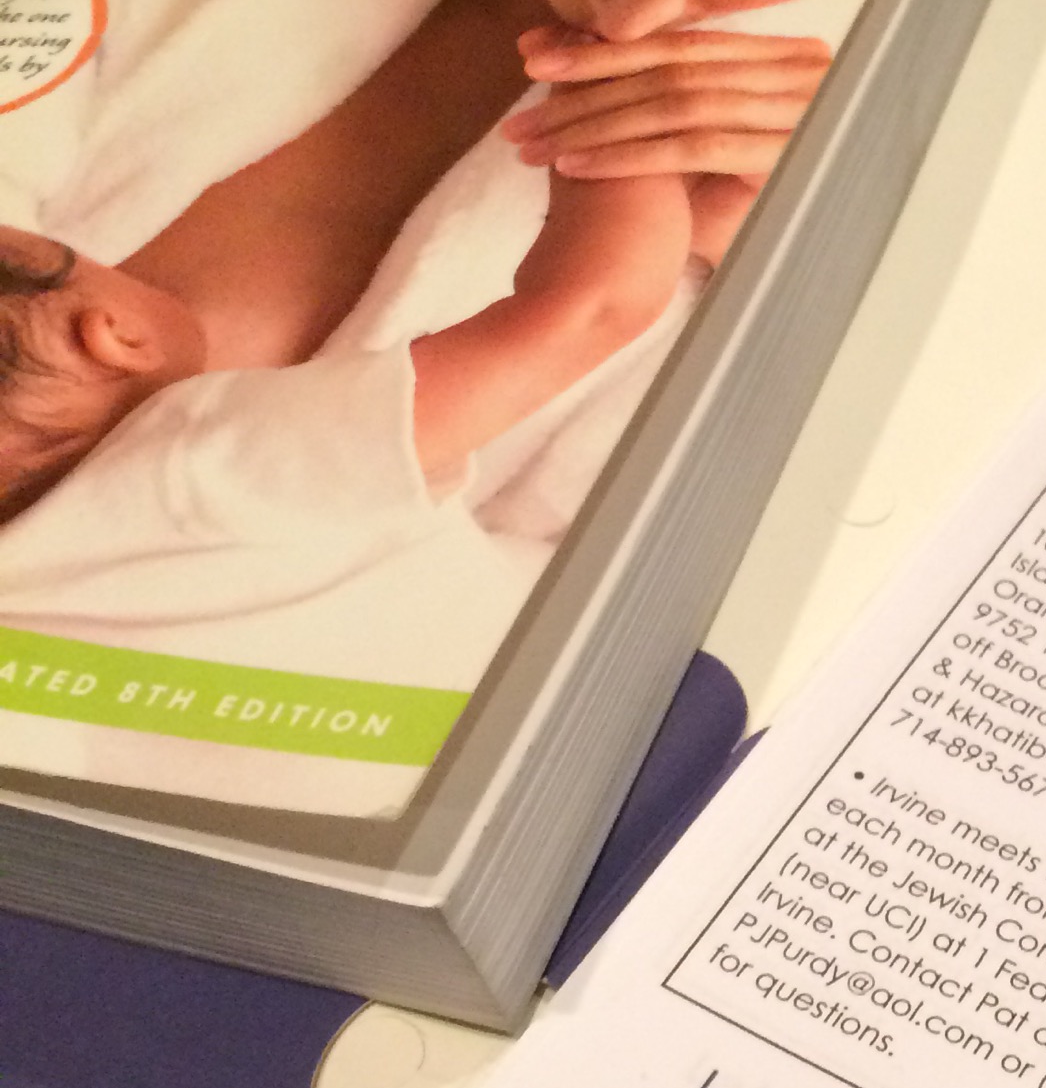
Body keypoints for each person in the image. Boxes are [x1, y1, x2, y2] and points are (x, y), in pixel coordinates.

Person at [0, 0, 898, 799]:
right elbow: (591, 305)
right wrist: (616, 142)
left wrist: (780, 250)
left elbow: (713, 567)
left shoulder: (896, 127)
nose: (633, 17)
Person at [0, 172, 691, 702]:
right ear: (116, 337)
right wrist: (606, 126)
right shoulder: (212, 465)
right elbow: (594, 308)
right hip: (567, 701)